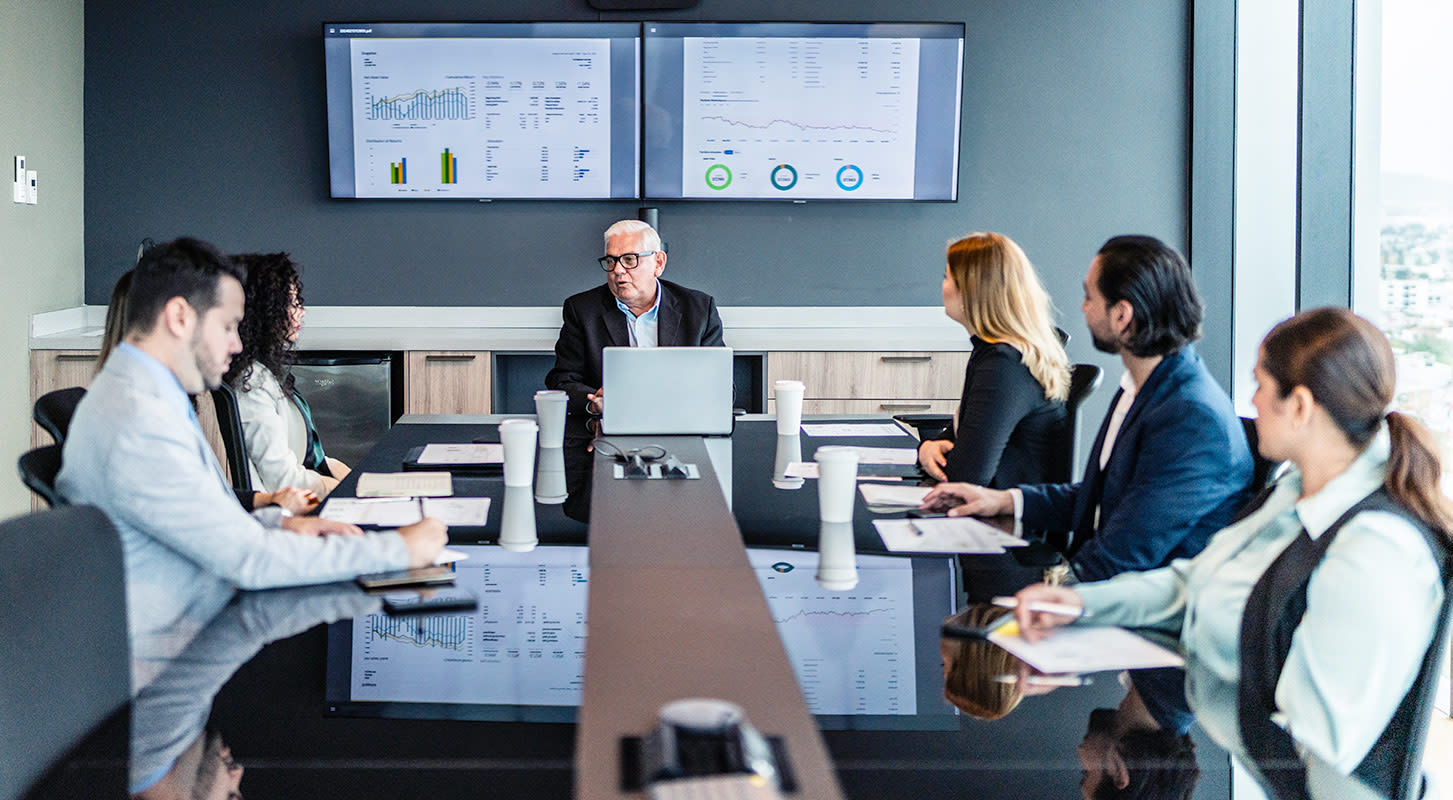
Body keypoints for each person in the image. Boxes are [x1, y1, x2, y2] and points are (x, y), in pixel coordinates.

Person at [1010, 308, 1451, 800]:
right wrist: (1082, 607)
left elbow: (1312, 761)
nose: (1252, 402)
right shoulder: (1295, 494)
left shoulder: (1373, 554)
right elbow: (1191, 585)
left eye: (1260, 386)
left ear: (1300, 407)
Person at [56, 237, 446, 684]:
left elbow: (206, 518)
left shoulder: (145, 396)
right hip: (170, 656)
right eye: (227, 326)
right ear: (180, 317)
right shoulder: (138, 422)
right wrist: (399, 549)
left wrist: (281, 524)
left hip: (188, 624)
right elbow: (250, 563)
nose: (238, 345)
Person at [922, 235, 1252, 581]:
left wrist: (1052, 595)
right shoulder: (1148, 387)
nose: (1083, 308)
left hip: (1143, 614)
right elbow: (1099, 497)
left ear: (1122, 315)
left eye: (1089, 297)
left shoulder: (1190, 416)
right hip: (1111, 588)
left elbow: (1125, 555)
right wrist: (1005, 501)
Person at [98, 268, 314, 515]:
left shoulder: (159, 406)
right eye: (219, 326)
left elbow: (201, 501)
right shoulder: (144, 427)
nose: (235, 344)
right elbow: (202, 529)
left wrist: (265, 501)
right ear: (177, 323)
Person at [918, 232, 1070, 486]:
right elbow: (952, 440)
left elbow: (965, 477)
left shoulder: (1005, 364)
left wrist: (931, 451)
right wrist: (927, 449)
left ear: (971, 292)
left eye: (947, 277)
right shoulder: (995, 353)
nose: (942, 287)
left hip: (1002, 519)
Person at [545, 219, 725, 416]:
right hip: (610, 425)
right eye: (611, 260)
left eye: (629, 259)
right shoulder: (582, 310)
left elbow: (721, 385)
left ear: (659, 262)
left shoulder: (698, 309)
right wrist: (593, 401)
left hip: (681, 421)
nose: (618, 270)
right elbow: (562, 381)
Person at [225, 252, 349, 497]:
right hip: (291, 510)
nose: (301, 311)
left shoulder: (263, 372)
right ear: (265, 312)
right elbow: (284, 479)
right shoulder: (252, 384)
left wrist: (357, 479)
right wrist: (342, 490)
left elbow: (312, 458)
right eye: (292, 303)